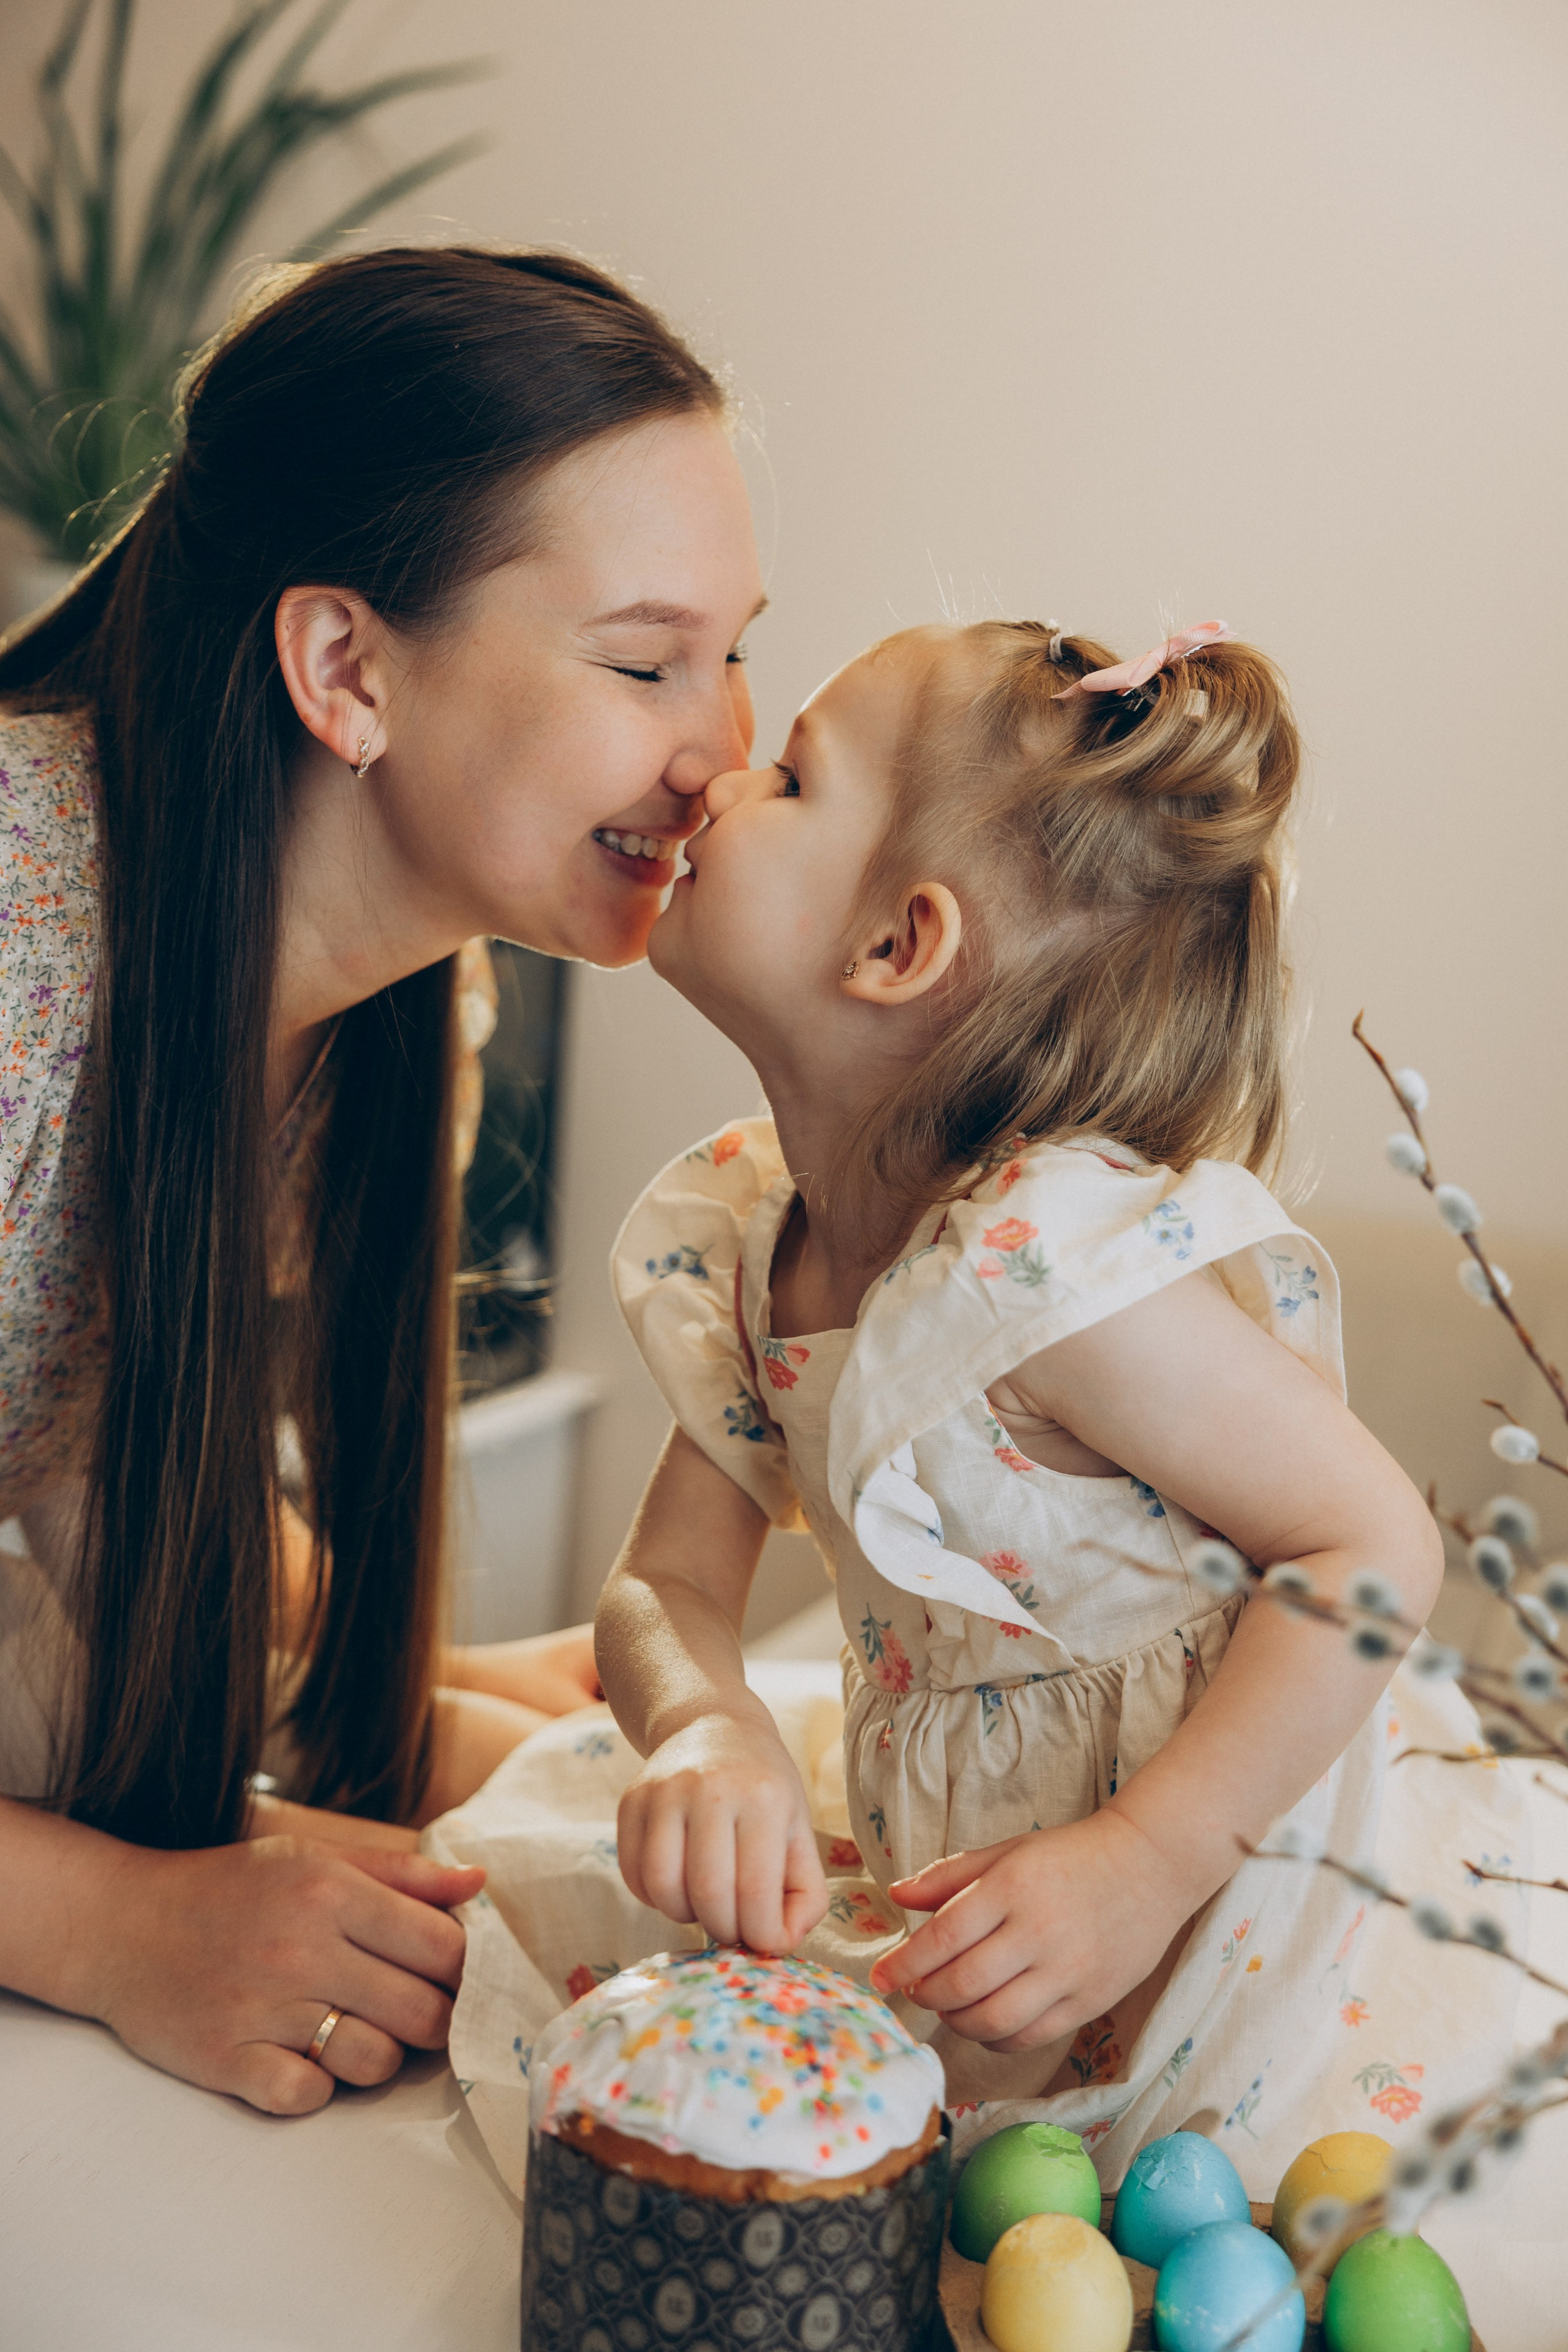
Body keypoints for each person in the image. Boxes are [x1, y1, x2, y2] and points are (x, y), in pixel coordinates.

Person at [594, 618, 1523, 2178]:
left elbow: (1370, 1552)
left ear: (896, 944)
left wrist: (1144, 1863)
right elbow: (667, 1581)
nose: (725, 776)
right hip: (985, 1903)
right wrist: (704, 1725)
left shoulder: (1049, 1273)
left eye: (793, 776)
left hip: (1225, 1905)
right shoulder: (755, 1248)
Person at [0, 244, 766, 2114]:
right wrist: (114, 1924)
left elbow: (86, 1445)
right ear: (346, 665)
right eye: (647, 660)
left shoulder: (399, 1014)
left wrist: (417, 1687)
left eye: (736, 653)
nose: (723, 751)